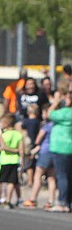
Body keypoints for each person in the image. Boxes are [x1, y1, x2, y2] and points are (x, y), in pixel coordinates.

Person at [47, 82, 72, 213]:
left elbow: (49, 114)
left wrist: (56, 102)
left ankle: (62, 202)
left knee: (62, 176)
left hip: (60, 148)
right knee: (69, 176)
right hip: (69, 148)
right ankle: (69, 201)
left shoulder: (64, 113)